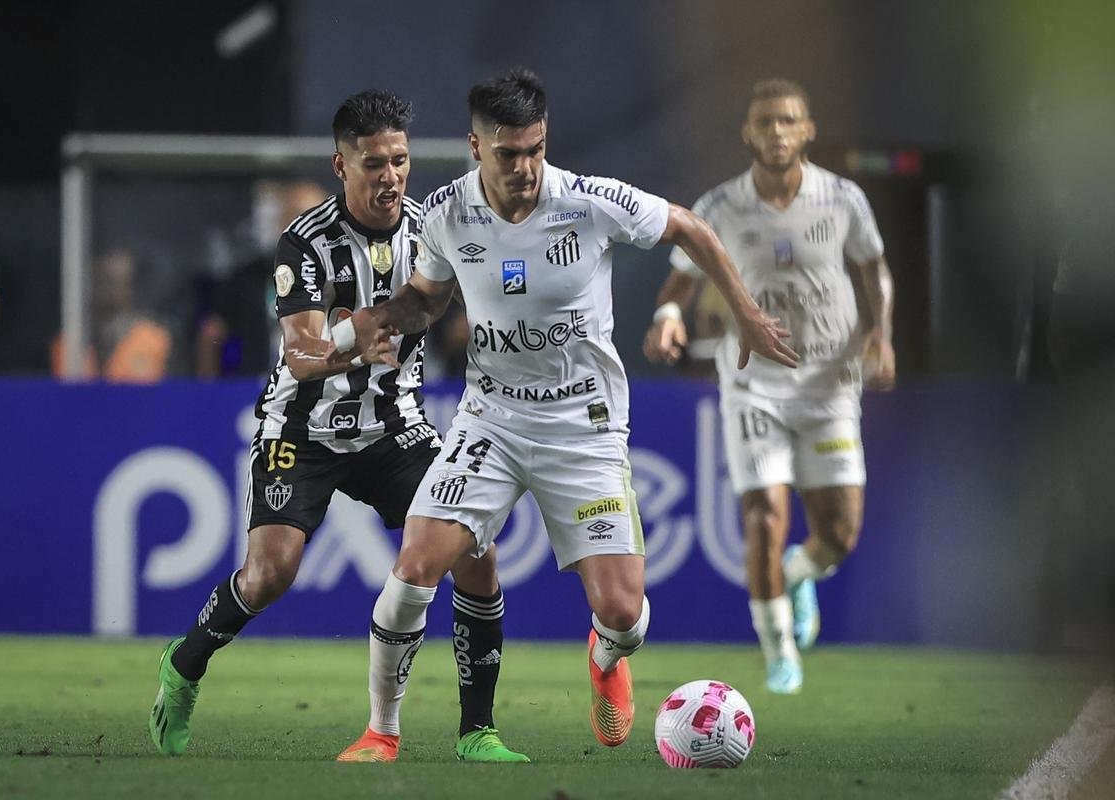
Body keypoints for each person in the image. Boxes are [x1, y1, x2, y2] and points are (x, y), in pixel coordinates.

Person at [333, 69, 796, 762]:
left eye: (535, 149)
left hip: (584, 426)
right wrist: (364, 329)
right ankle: (381, 731)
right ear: (475, 147)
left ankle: (607, 659)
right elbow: (427, 299)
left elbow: (692, 227)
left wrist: (748, 314)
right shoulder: (449, 213)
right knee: (414, 567)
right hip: (490, 420)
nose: (524, 168)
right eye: (508, 153)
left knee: (623, 614)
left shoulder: (587, 201)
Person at [148, 90, 527, 764]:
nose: (390, 176)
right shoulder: (306, 240)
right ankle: (185, 665)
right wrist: (355, 343)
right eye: (374, 163)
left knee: (475, 549)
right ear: (341, 164)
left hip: (393, 428)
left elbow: (474, 304)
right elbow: (299, 351)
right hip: (304, 427)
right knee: (270, 575)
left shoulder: (430, 229)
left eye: (401, 161)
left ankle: (477, 731)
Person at [643, 79, 894, 694]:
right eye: (765, 122)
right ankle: (780, 652)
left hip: (830, 382)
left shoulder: (842, 199)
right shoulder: (722, 207)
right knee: (762, 515)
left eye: (788, 121)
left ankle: (802, 572)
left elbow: (872, 270)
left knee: (839, 534)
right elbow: (680, 279)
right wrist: (669, 317)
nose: (777, 131)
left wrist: (881, 334)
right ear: (748, 133)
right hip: (754, 383)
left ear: (807, 130)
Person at [195, 180, 330, 378]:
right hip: (259, 391)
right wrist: (211, 395)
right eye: (298, 218)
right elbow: (211, 334)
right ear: (282, 223)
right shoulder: (250, 276)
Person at [51, 249, 173, 382]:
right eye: (100, 281)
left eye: (114, 282)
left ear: (130, 288)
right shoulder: (69, 343)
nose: (106, 289)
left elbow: (174, 393)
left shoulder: (155, 339)